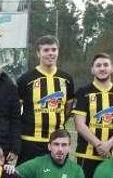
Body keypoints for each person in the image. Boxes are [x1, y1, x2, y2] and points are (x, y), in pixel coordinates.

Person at [73, 53, 113, 178]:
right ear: (92, 70)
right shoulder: (83, 93)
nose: (102, 68)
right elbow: (80, 125)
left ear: (112, 68)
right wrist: (99, 144)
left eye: (106, 65)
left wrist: (109, 144)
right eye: (98, 65)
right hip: (87, 154)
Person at [16, 35, 75, 163]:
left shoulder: (66, 79)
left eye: (53, 50)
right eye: (46, 50)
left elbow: (68, 109)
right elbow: (16, 110)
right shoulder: (25, 79)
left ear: (58, 52)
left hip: (57, 141)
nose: (50, 53)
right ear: (38, 53)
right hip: (30, 141)